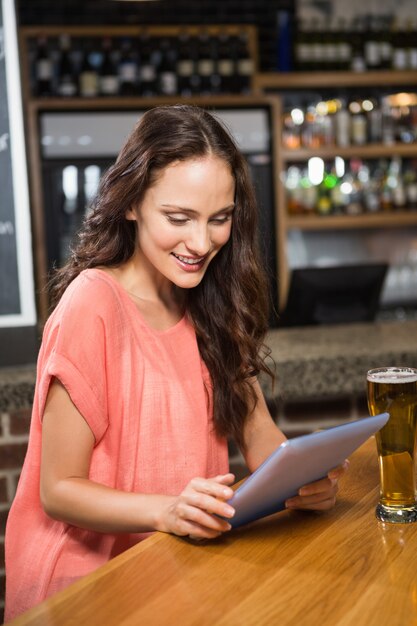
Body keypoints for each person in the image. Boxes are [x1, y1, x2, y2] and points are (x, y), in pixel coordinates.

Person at [5, 104, 347, 620]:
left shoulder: (213, 303)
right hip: (83, 589)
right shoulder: (92, 303)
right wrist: (165, 508)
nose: (201, 242)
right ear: (131, 204)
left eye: (220, 219)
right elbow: (58, 490)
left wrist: (303, 481)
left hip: (174, 573)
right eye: (179, 218)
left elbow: (260, 439)